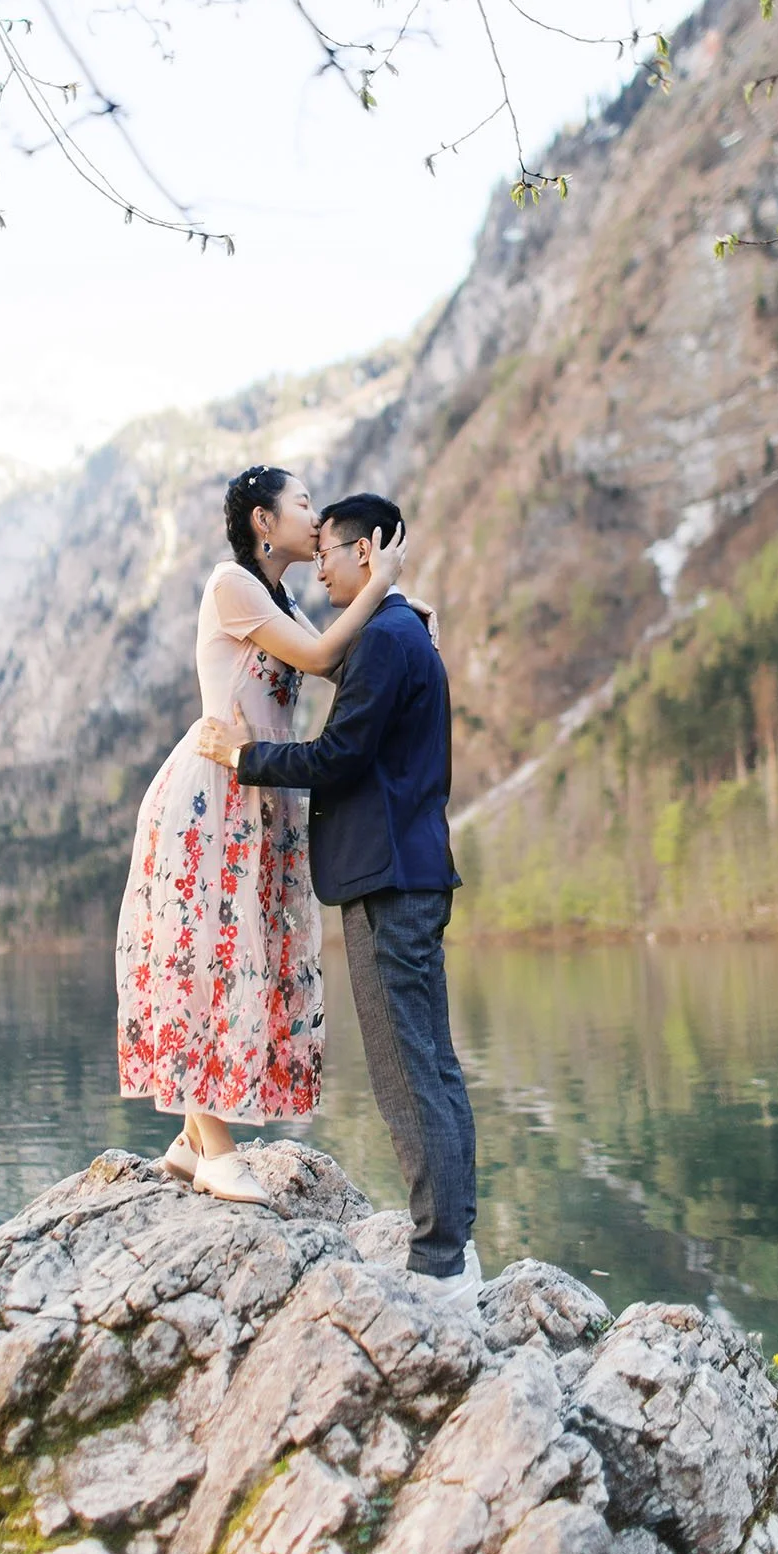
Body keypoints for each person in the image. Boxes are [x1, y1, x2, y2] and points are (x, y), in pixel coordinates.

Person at [198, 492, 479, 1310]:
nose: (317, 564)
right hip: (405, 871)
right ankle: (453, 1245)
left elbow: (338, 754)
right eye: (310, 547)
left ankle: (440, 1265)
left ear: (366, 555)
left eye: (328, 551)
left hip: (388, 876)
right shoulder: (397, 631)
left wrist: (246, 756)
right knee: (431, 1063)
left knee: (404, 1072)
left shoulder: (388, 640)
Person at [115, 464, 405, 1205]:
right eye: (303, 504)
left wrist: (395, 601)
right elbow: (316, 658)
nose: (316, 517)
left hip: (258, 791)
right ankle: (215, 1150)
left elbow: (337, 656)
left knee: (244, 953)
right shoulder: (232, 584)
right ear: (262, 523)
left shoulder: (275, 597)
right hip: (214, 797)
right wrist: (381, 585)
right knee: (209, 959)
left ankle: (188, 1139)